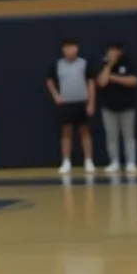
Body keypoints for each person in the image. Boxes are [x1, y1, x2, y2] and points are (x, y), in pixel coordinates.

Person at [46, 38, 97, 175]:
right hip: (66, 103)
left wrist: (91, 103)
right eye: (68, 47)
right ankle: (66, 161)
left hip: (82, 102)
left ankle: (88, 160)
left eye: (74, 47)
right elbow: (50, 81)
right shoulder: (58, 64)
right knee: (66, 132)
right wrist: (56, 96)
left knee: (85, 132)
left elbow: (91, 83)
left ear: (77, 49)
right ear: (63, 50)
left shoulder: (83, 63)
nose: (71, 50)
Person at [96, 42, 137, 175]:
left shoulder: (128, 62)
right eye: (110, 50)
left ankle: (131, 162)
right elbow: (101, 82)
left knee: (129, 136)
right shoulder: (104, 64)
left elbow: (134, 81)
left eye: (115, 50)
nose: (112, 53)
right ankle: (114, 162)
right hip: (109, 108)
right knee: (111, 136)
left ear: (120, 52)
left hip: (127, 107)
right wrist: (109, 65)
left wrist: (114, 78)